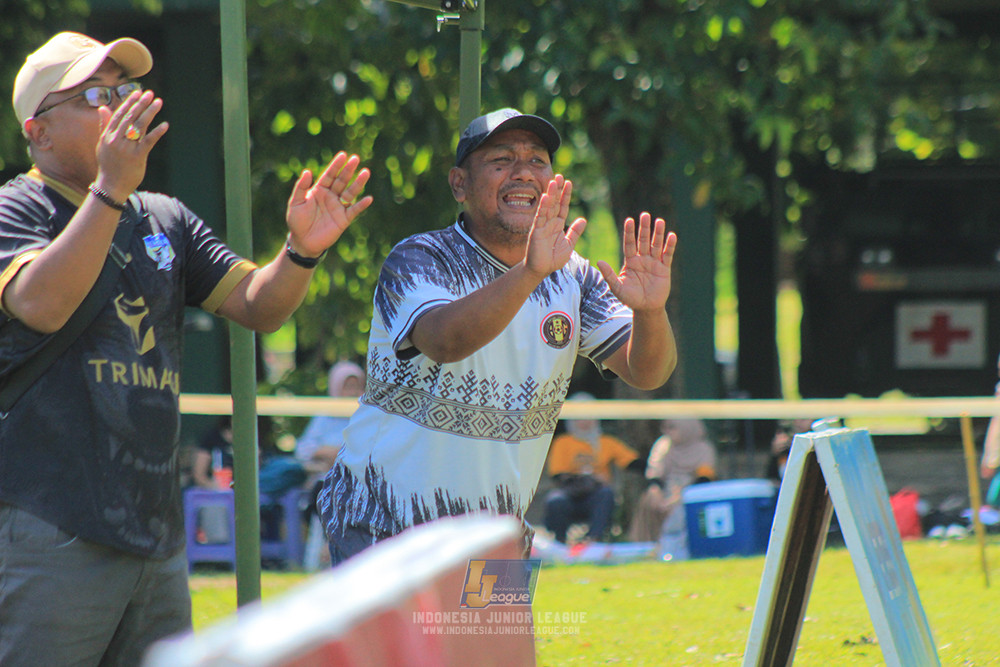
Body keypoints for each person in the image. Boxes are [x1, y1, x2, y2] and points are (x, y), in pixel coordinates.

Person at [0, 32, 372, 665]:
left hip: (156, 538)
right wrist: (111, 191)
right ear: (39, 132)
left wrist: (303, 251)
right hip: (50, 525)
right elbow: (41, 304)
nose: (116, 105)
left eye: (121, 90)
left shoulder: (164, 217)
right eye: (94, 94)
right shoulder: (16, 207)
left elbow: (259, 305)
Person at [318, 107, 678, 566]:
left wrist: (650, 313)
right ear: (459, 184)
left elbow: (649, 372)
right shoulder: (418, 259)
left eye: (537, 161)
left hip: (494, 540)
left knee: (497, 641)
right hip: (386, 528)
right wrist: (530, 272)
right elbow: (446, 340)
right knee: (417, 643)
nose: (523, 173)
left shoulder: (575, 277)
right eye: (501, 160)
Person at [543, 393, 642, 545]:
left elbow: (631, 462)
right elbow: (557, 475)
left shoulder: (606, 441)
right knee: (555, 500)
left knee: (606, 494)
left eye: (589, 416)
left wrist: (656, 465)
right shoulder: (562, 442)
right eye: (579, 417)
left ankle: (594, 541)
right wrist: (587, 478)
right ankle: (560, 543)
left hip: (596, 495)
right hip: (570, 495)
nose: (585, 421)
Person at [628, 418, 716, 543]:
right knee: (649, 500)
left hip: (691, 491)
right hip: (666, 488)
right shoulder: (663, 445)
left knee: (681, 506)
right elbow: (655, 473)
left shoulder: (704, 449)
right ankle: (648, 544)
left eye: (672, 428)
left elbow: (704, 478)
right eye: (666, 427)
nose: (667, 431)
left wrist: (681, 495)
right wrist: (656, 490)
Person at [295, 360, 365, 478]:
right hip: (325, 478)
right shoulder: (325, 415)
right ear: (336, 388)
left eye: (357, 387)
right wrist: (325, 452)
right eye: (348, 387)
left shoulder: (365, 416)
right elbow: (302, 450)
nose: (353, 392)